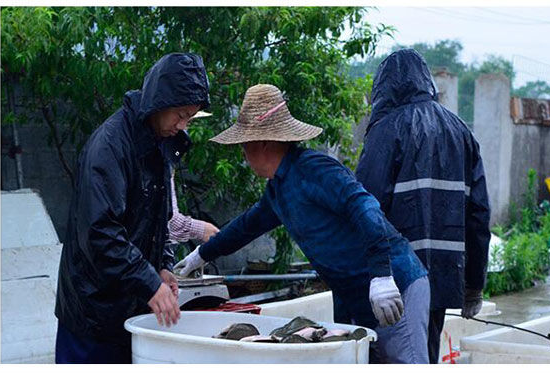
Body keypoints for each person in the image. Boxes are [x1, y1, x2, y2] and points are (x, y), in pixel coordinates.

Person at [174, 84, 430, 363]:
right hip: (353, 297)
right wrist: (201, 255)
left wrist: (382, 274)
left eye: (244, 146)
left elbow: (365, 207)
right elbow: (247, 225)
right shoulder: (278, 189)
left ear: (262, 143)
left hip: (393, 286)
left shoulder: (314, 169)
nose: (243, 156)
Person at [55, 53, 210, 363]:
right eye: (180, 114)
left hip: (132, 309)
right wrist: (149, 282)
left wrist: (163, 266)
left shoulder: (161, 143)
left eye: (190, 117)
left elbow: (160, 220)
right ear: (158, 102)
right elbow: (99, 232)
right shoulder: (109, 147)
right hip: (93, 313)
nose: (183, 125)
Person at [355, 49, 491, 364]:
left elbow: (363, 204)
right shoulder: (461, 131)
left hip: (395, 278)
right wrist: (474, 285)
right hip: (444, 275)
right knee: (425, 352)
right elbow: (479, 215)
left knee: (392, 357)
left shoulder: (386, 130)